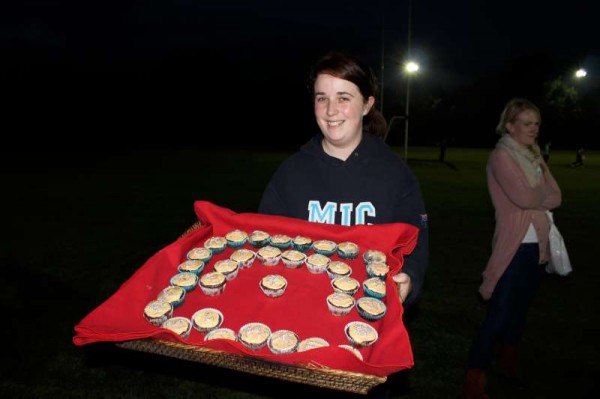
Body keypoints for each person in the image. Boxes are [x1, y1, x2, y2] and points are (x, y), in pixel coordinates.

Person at [258, 51, 429, 397]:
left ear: (367, 104)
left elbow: (416, 241)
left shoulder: (395, 175)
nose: (331, 110)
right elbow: (264, 244)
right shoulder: (292, 173)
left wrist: (410, 277)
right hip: (301, 329)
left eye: (344, 98)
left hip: (367, 331)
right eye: (322, 98)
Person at [464, 98, 562, 399]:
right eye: (527, 123)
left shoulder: (534, 155)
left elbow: (556, 197)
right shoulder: (501, 156)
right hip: (514, 246)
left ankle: (508, 363)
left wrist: (537, 194)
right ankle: (474, 379)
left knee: (520, 310)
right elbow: (524, 198)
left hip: (538, 247)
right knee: (500, 312)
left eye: (537, 123)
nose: (534, 129)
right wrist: (538, 194)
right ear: (510, 125)